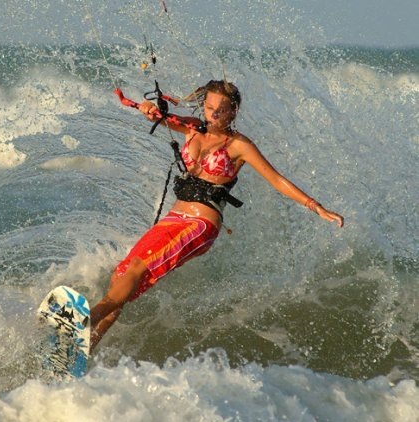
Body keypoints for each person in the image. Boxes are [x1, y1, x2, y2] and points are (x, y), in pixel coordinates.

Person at [89, 80, 344, 350]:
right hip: (174, 219)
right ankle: (88, 343)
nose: (213, 114)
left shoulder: (240, 145)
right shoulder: (191, 127)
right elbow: (159, 116)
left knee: (138, 268)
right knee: (122, 276)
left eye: (220, 110)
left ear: (233, 111)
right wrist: (147, 109)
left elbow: (276, 179)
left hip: (200, 224)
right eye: (209, 107)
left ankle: (85, 320)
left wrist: (315, 206)